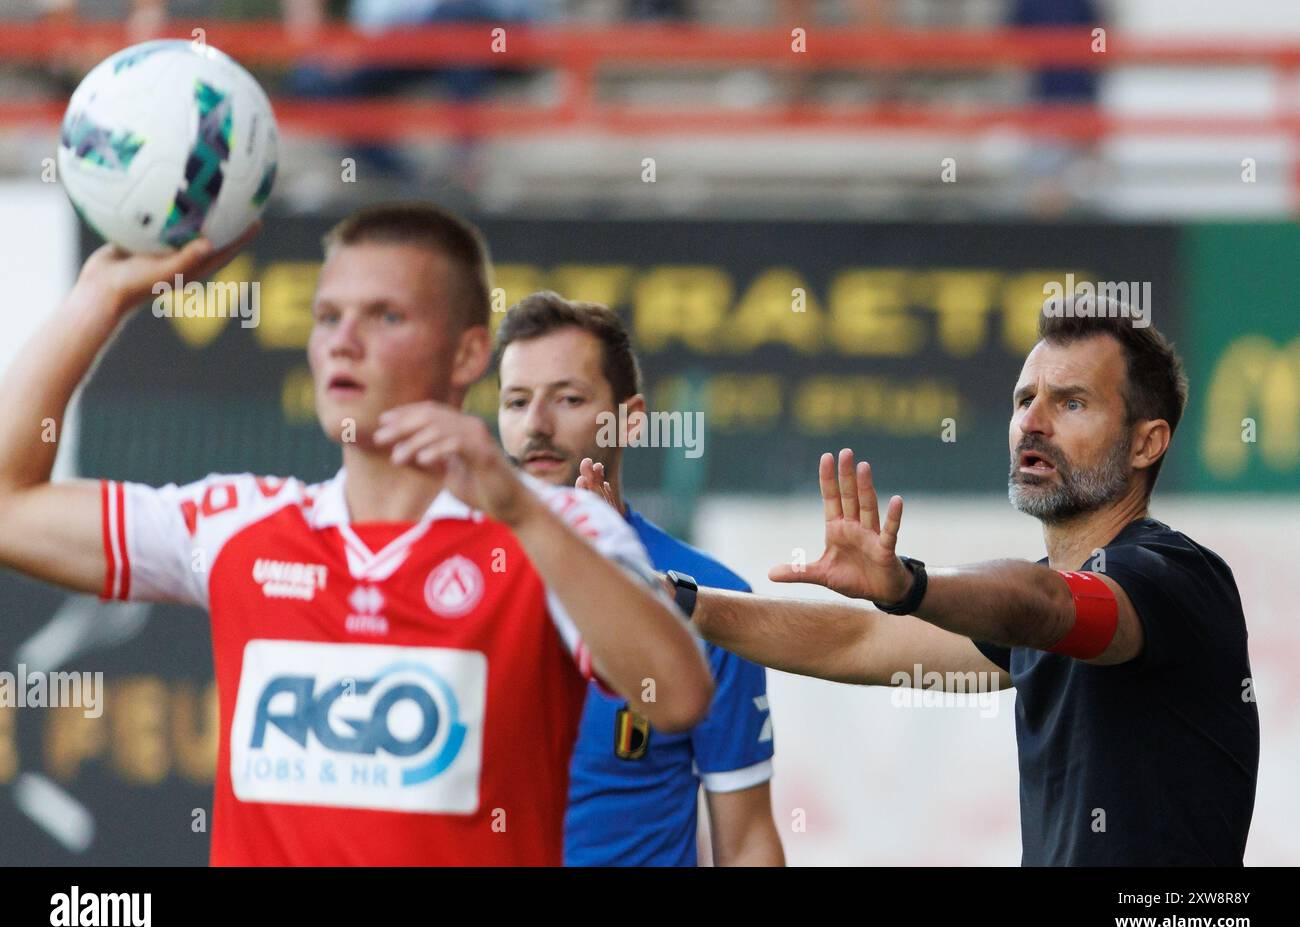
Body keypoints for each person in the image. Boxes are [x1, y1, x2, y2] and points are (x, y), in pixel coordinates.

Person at [0, 202, 712, 866]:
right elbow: (9, 506)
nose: (344, 341)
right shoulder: (237, 525)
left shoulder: (555, 525)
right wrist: (97, 301)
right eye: (328, 315)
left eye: (386, 316)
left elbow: (675, 695)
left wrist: (519, 510)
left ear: (468, 355)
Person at [648, 295, 1259, 866]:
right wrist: (675, 601)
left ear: (1146, 443)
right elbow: (853, 642)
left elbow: (1048, 606)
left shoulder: (1176, 578)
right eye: (1025, 400)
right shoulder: (1042, 607)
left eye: (1071, 402)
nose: (1033, 424)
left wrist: (907, 586)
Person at [496, 291, 783, 866]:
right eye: (516, 402)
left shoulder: (707, 599)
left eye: (568, 398)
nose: (537, 425)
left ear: (630, 418)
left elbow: (747, 836)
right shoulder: (450, 574)